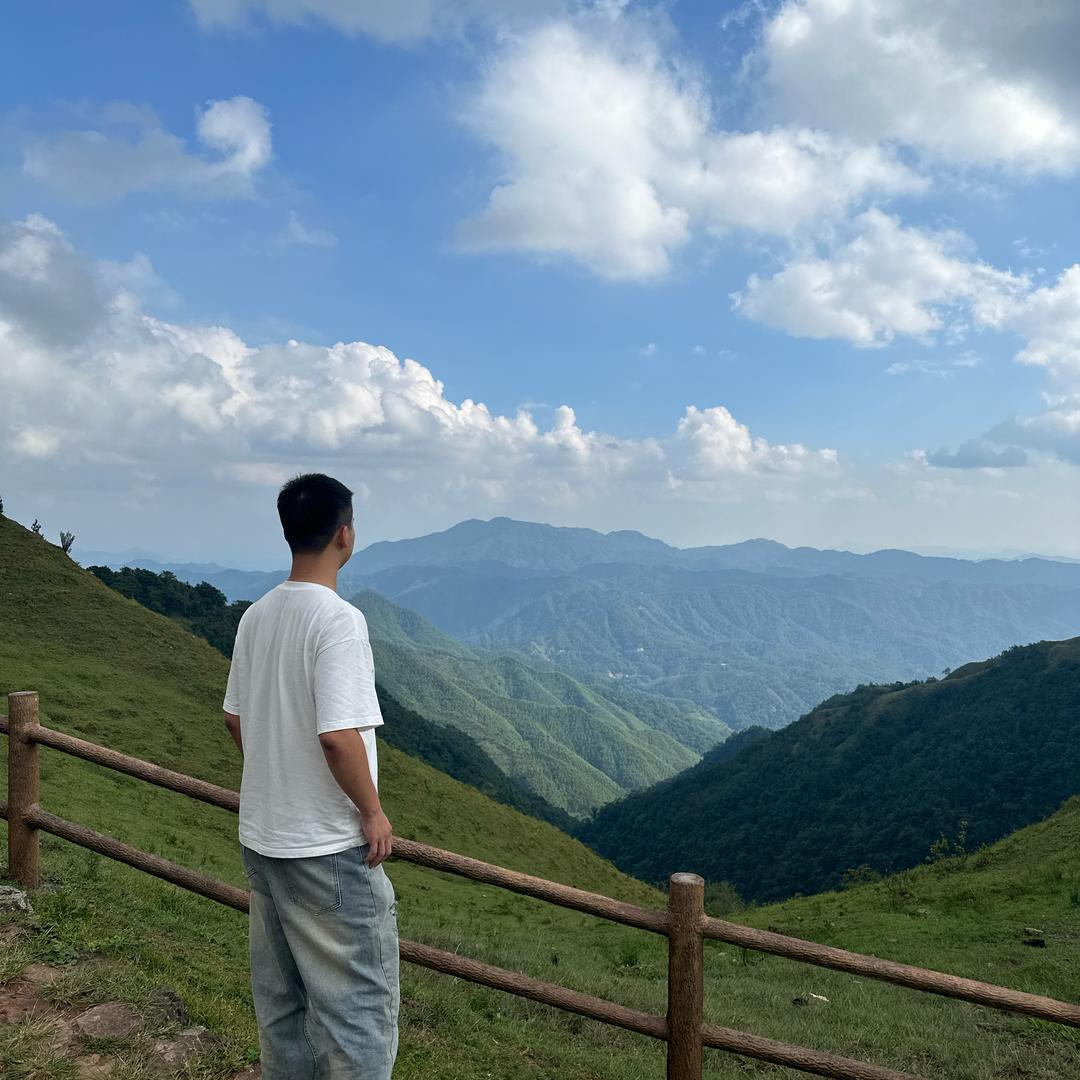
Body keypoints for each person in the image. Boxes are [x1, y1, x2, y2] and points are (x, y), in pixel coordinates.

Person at [221, 472, 399, 1080]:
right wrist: (372, 812)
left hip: (264, 835)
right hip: (326, 846)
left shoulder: (256, 615)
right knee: (358, 1013)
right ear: (345, 534)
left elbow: (234, 718)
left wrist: (277, 775)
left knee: (282, 1006)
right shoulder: (339, 621)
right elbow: (338, 736)